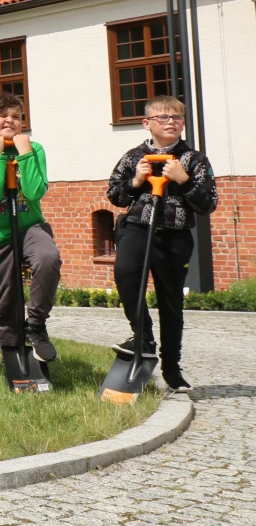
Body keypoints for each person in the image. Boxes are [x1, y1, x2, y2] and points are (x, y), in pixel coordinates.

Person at [106, 95, 217, 393]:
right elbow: (115, 196)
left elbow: (208, 204)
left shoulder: (194, 160)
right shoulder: (133, 157)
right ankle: (142, 335)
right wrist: (135, 182)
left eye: (177, 118)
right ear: (147, 123)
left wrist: (185, 181)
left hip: (175, 236)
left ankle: (172, 369)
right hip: (137, 229)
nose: (170, 122)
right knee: (126, 273)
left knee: (171, 302)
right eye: (163, 117)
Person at [0, 92, 62, 363]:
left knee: (48, 258)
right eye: (2, 114)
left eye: (16, 116)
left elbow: (33, 192)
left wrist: (25, 154)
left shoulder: (34, 149)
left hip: (29, 227)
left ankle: (36, 325)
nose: (10, 120)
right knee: (6, 303)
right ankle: (13, 356)